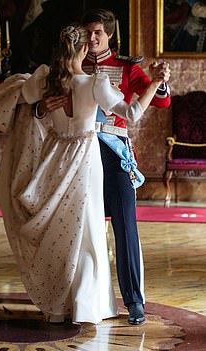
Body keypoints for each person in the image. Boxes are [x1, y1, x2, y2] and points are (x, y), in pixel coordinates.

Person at [0, 23, 163, 325]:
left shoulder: (44, 80)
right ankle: (87, 305)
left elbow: (16, 104)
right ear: (82, 49)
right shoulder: (95, 82)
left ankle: (60, 306)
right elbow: (130, 113)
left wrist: (40, 107)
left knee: (61, 232)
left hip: (54, 156)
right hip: (85, 157)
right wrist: (154, 84)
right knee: (88, 231)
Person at [35, 9, 171, 325]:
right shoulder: (65, 70)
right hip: (77, 157)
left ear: (110, 34)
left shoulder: (126, 67)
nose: (92, 38)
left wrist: (159, 82)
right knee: (79, 230)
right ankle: (78, 299)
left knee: (125, 227)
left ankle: (135, 302)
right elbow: (35, 105)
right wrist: (42, 107)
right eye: (88, 33)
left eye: (98, 32)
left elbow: (160, 101)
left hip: (113, 154)